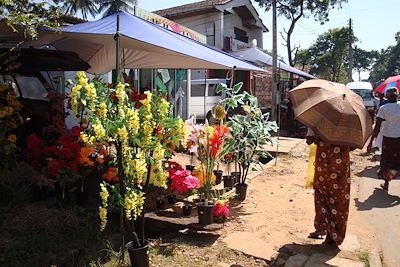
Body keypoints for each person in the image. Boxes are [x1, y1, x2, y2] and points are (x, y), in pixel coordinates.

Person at [306, 128, 351, 247]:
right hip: (340, 163)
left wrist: (318, 136)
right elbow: (354, 146)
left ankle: (324, 228)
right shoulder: (348, 123)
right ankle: (334, 234)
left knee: (322, 194)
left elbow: (309, 141)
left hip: (324, 162)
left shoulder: (319, 119)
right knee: (339, 197)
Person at [367, 87, 400, 190]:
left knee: (386, 159)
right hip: (399, 138)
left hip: (388, 138)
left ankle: (386, 183)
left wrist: (371, 141)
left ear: (387, 96)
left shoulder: (384, 108)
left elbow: (377, 127)